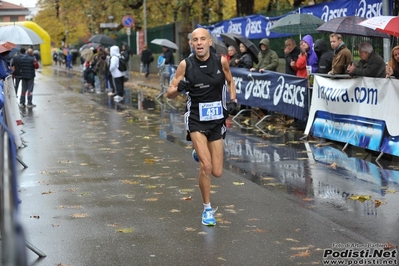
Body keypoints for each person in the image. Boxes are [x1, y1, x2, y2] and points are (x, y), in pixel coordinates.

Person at [166, 28, 237, 226]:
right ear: (191, 44)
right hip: (196, 119)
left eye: (202, 39)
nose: (199, 43)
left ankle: (199, 152)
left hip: (216, 121)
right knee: (205, 167)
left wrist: (233, 99)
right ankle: (207, 209)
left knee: (217, 172)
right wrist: (178, 88)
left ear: (209, 42)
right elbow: (169, 92)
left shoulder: (221, 61)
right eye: (195, 40)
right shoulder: (185, 65)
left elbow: (231, 81)